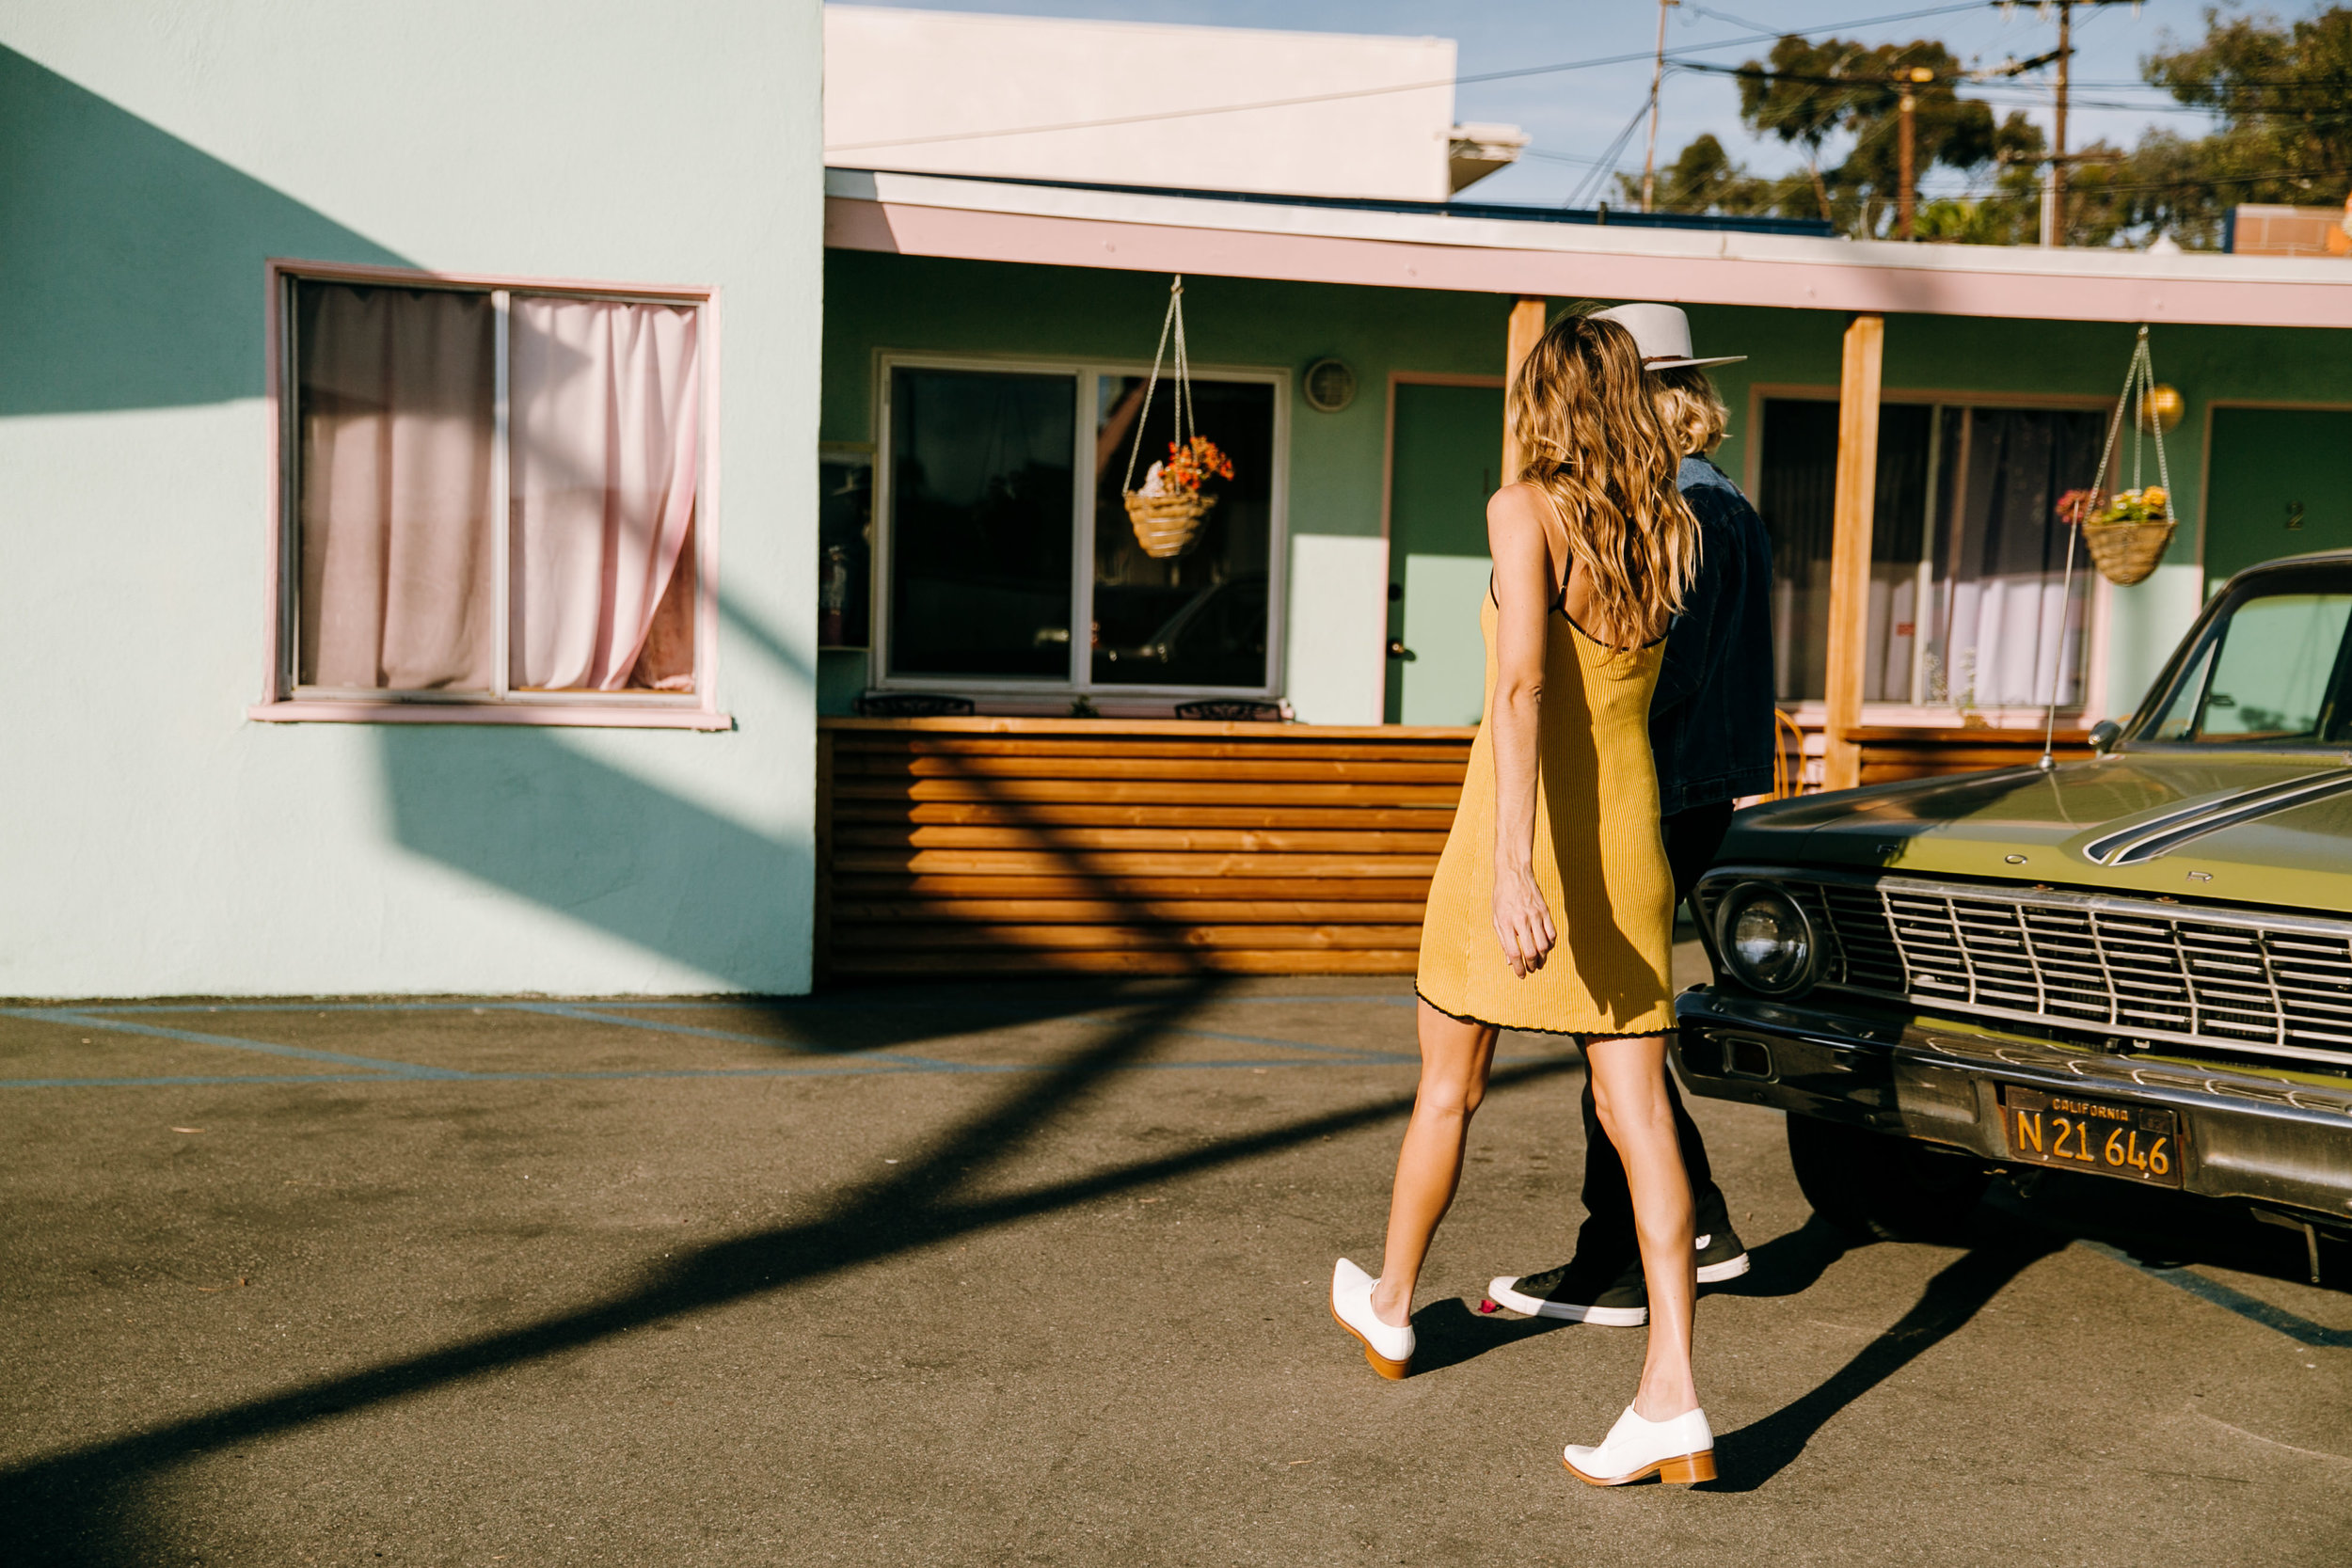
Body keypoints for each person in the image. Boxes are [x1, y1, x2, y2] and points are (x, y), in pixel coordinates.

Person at [1328, 309, 1717, 1488]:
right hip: (1629, 841)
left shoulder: (1522, 509)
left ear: (1544, 402)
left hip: (1523, 831)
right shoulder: (1666, 522)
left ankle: (1394, 1303)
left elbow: (1520, 691)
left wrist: (1509, 867)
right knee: (1639, 1114)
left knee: (1450, 1084)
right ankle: (1673, 1395)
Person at [1486, 303, 1777, 1329]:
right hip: (1715, 789)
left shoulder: (1678, 514)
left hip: (1652, 790)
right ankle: (1673, 1232)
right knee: (1617, 1033)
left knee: (1611, 1030)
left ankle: (1648, 1248)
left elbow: (1645, 682)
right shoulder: (1728, 502)